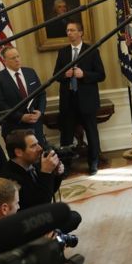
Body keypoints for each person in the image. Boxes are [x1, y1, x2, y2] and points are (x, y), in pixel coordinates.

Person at [54, 20, 105, 174]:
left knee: (91, 132)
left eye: (72, 30)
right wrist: (65, 74)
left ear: (80, 32)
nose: (69, 33)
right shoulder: (62, 52)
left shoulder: (92, 50)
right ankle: (66, 166)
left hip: (87, 101)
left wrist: (84, 74)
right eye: (67, 30)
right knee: (66, 135)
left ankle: (93, 163)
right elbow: (56, 75)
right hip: (68, 101)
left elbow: (101, 75)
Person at [0, 47, 47, 146]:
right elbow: (0, 104)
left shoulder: (30, 72)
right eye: (13, 58)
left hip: (35, 125)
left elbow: (41, 94)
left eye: (18, 56)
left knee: (39, 156)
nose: (17, 60)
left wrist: (40, 112)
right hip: (14, 128)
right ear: (4, 61)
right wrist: (21, 117)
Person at [0, 129, 64, 210]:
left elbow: (49, 191)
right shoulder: (9, 178)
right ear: (18, 152)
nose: (40, 148)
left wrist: (56, 175)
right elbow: (40, 204)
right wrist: (46, 172)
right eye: (33, 146)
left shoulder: (34, 163)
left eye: (38, 144)